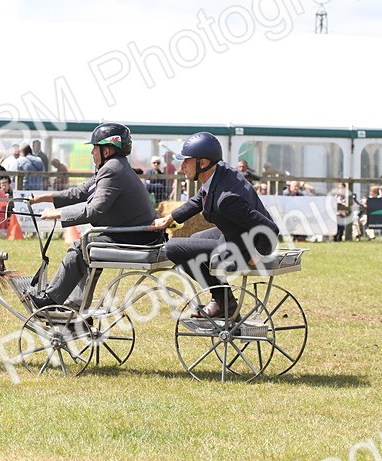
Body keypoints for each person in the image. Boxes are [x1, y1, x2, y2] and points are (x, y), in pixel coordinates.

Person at [28, 123, 160, 309]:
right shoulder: (114, 167)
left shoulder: (112, 170)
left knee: (82, 246)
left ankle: (52, 299)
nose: (92, 153)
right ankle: (76, 303)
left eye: (94, 148)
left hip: (134, 238)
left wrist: (56, 214)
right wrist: (44, 197)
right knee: (88, 248)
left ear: (107, 150)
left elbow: (94, 211)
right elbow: (81, 191)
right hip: (137, 235)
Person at [151, 131, 279, 318]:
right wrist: (170, 218)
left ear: (202, 163)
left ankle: (224, 303)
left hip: (242, 247)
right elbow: (200, 199)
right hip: (234, 234)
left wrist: (257, 254)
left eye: (187, 161)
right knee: (194, 240)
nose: (182, 167)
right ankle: (222, 301)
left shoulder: (226, 199)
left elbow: (270, 229)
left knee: (173, 248)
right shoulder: (220, 172)